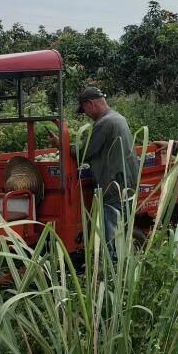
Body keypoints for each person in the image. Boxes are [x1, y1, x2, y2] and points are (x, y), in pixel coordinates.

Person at [74, 86, 140, 257]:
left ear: (91, 104)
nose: (86, 113)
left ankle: (113, 272)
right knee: (123, 227)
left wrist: (64, 145)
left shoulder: (105, 123)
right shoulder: (118, 118)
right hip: (126, 184)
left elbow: (85, 153)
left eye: (84, 109)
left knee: (111, 233)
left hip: (113, 186)